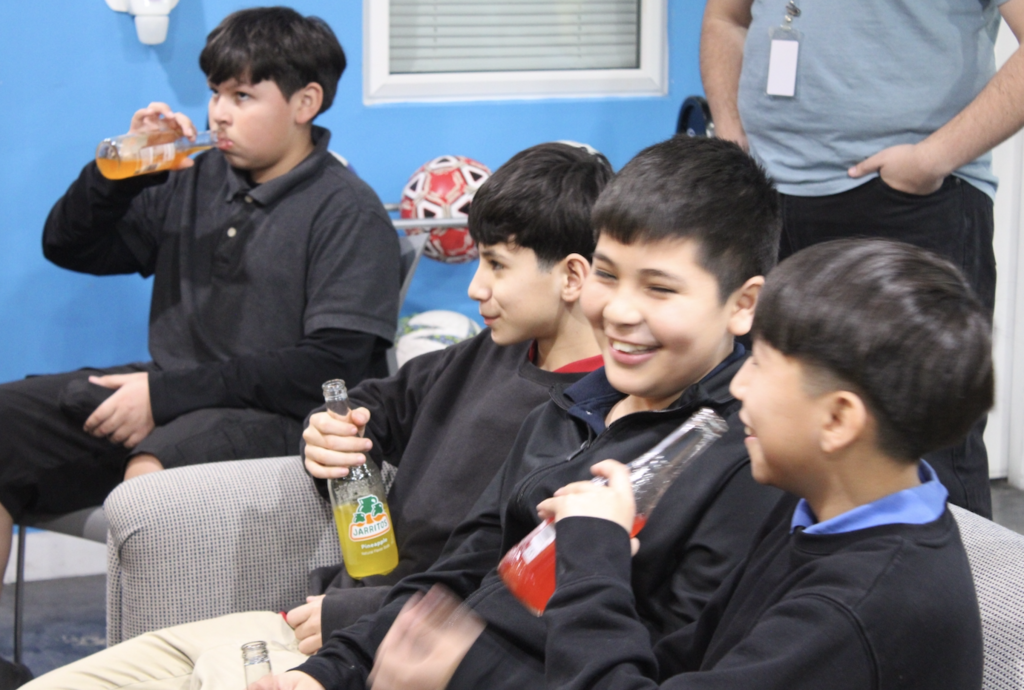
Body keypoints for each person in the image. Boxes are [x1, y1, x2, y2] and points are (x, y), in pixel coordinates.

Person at [22, 141, 611, 690]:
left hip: (376, 646)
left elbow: (499, 586)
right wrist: (334, 429)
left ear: (571, 276)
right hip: (322, 624)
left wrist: (353, 616)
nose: (476, 287)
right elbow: (377, 403)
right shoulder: (484, 354)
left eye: (497, 265)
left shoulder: (597, 423)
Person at [254, 134, 785, 690]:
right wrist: (326, 672)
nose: (621, 311)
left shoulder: (748, 463)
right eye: (608, 275)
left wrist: (461, 668)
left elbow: (660, 664)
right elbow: (457, 577)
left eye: (660, 288)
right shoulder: (564, 413)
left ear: (742, 304)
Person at [0, 7, 401, 685]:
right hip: (174, 394)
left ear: (305, 102)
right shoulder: (192, 177)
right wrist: (118, 168)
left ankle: (151, 674)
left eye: (243, 96)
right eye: (216, 92)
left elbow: (332, 366)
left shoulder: (348, 210)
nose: (218, 113)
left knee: (156, 472)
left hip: (277, 420)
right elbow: (69, 244)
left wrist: (163, 396)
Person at [522, 239, 988, 689]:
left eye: (760, 365)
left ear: (838, 418)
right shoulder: (818, 514)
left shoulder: (855, 611)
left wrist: (591, 559)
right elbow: (694, 661)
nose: (739, 386)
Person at [699, 0, 1024, 518]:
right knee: (768, 430)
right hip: (767, 196)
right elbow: (726, 17)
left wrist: (931, 159)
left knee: (921, 441)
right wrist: (730, 130)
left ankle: (949, 597)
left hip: (908, 201)